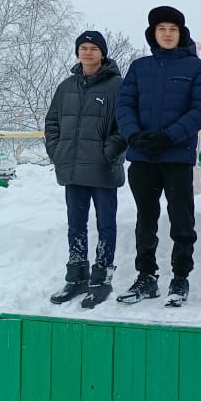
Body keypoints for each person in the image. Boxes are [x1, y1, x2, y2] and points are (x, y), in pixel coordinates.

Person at [115, 6, 201, 307]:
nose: (168, 34)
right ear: (153, 34)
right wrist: (134, 135)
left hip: (177, 157)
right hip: (143, 157)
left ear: (181, 33)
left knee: (181, 220)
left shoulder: (197, 69)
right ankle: (146, 277)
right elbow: (124, 105)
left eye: (173, 29)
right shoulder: (139, 67)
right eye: (162, 29)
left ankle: (180, 279)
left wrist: (170, 135)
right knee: (145, 219)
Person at [44, 31, 127, 309]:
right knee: (76, 226)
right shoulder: (66, 86)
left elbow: (125, 124)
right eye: (83, 47)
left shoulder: (118, 86)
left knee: (106, 226)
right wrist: (57, 153)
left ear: (102, 53)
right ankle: (77, 275)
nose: (88, 52)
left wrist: (109, 153)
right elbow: (52, 122)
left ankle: (101, 279)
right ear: (78, 52)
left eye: (93, 48)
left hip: (103, 170)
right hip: (72, 169)